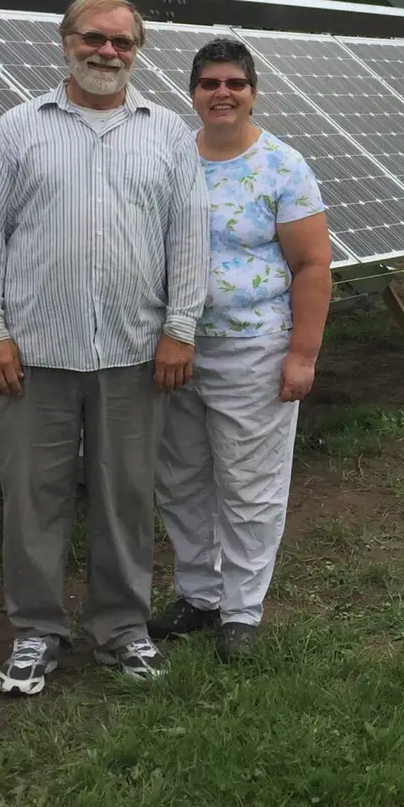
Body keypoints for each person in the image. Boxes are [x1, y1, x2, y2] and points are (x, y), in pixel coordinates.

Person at [0, 0, 210, 695]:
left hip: (136, 353)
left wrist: (179, 329)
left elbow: (189, 240)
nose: (108, 52)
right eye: (94, 38)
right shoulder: (17, 129)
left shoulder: (166, 135)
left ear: (138, 51)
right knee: (33, 497)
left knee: (127, 496)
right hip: (34, 353)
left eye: (123, 43)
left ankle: (121, 629)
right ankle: (37, 629)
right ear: (65, 41)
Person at [150, 37, 332, 661]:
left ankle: (242, 612)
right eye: (209, 84)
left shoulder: (282, 166)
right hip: (174, 348)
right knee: (181, 478)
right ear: (192, 92)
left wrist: (302, 356)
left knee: (250, 484)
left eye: (235, 83)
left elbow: (312, 265)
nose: (222, 93)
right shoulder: (170, 156)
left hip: (252, 349)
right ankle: (200, 596)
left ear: (253, 91)